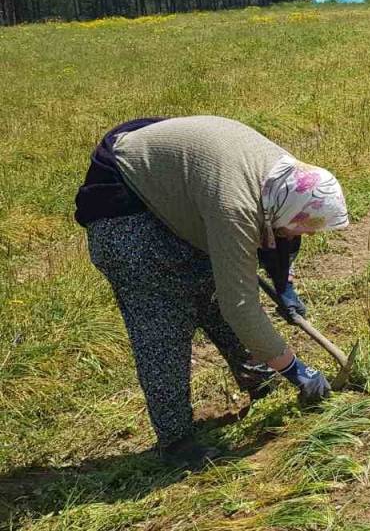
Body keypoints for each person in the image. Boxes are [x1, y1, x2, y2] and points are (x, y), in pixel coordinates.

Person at [74, 116, 350, 465]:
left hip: (178, 191)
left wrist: (285, 285)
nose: (307, 235)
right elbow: (239, 304)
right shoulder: (236, 206)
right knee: (164, 322)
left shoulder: (285, 179)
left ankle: (259, 376)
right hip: (125, 208)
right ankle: (176, 441)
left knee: (210, 284)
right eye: (306, 227)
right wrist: (296, 369)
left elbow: (282, 233)